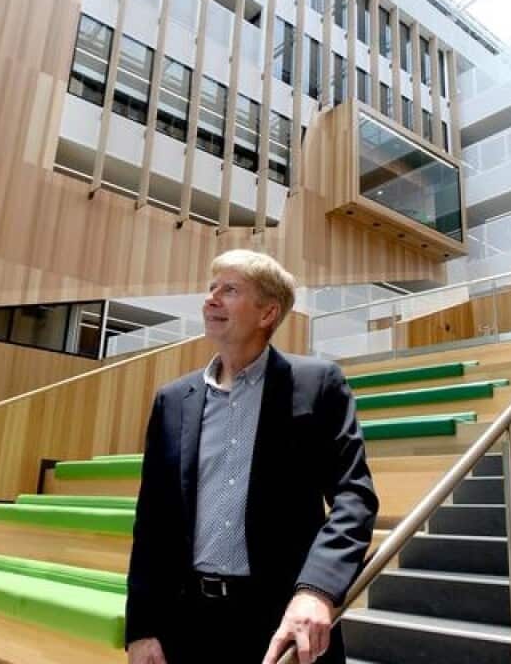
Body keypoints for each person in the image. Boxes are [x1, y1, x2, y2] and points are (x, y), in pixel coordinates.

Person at [125, 250, 378, 664]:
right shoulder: (172, 400)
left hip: (282, 623)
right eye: (212, 288)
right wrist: (142, 626)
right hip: (185, 626)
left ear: (267, 313)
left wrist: (316, 590)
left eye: (229, 290)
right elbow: (153, 520)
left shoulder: (317, 384)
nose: (211, 298)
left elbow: (355, 497)